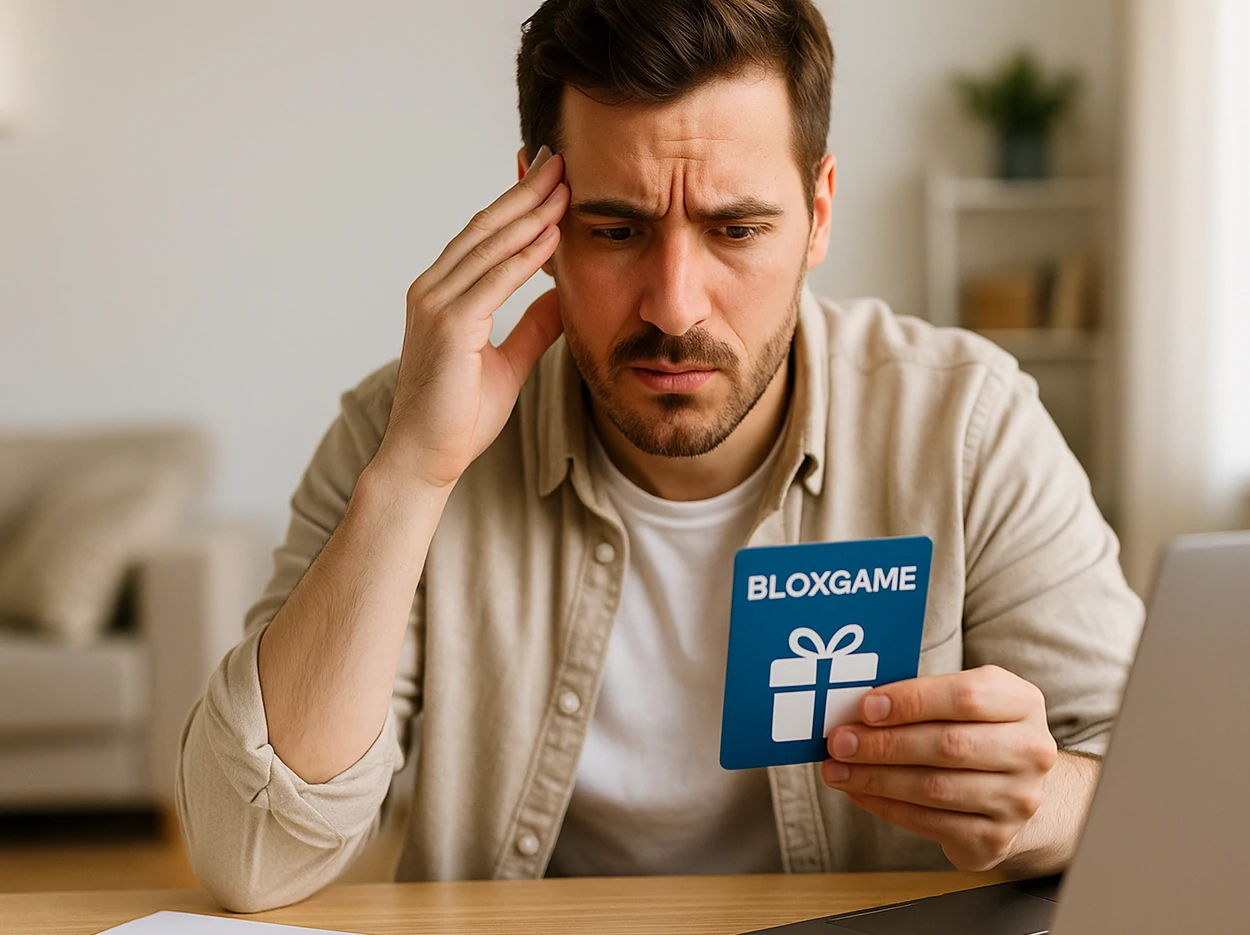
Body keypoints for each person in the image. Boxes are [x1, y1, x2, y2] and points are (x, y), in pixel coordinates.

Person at [176, 0, 1143, 913]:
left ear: (819, 212)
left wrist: (1036, 803)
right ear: (535, 218)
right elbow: (254, 856)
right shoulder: (403, 431)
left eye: (736, 229)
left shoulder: (967, 424)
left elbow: (1152, 789)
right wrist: (412, 478)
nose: (674, 306)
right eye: (615, 230)